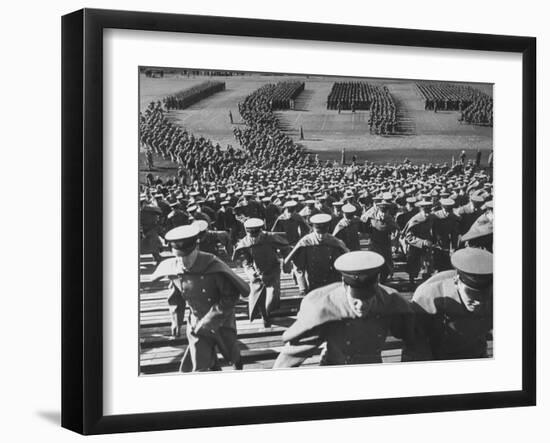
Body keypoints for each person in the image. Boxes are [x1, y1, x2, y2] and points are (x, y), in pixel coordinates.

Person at [273, 251, 416, 368]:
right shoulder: (326, 308)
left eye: (367, 299)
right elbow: (291, 356)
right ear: (345, 286)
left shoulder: (391, 302)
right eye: (355, 300)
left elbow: (413, 337)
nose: (361, 305)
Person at [150, 224, 249, 371]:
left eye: (188, 256)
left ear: (196, 248)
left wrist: (210, 320)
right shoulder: (174, 269)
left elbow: (230, 296)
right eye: (179, 256)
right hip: (196, 323)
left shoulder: (213, 265)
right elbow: (176, 296)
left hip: (222, 321)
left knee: (231, 353)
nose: (184, 261)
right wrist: (176, 320)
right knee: (199, 364)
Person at [407, 248, 493, 360]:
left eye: (484, 295)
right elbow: (415, 347)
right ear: (456, 281)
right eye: (471, 293)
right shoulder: (429, 297)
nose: (478, 302)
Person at [233, 218, 291, 327]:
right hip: (257, 273)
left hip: (272, 270)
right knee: (258, 297)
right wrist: (250, 272)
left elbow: (286, 248)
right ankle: (265, 317)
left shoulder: (270, 237)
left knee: (272, 295)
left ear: (260, 231)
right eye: (252, 236)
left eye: (256, 235)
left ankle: (269, 311)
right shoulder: (245, 243)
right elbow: (246, 261)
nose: (254, 238)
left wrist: (286, 262)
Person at [284, 213, 349, 293]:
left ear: (327, 229)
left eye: (323, 233)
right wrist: (302, 287)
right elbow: (299, 268)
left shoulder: (334, 242)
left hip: (330, 283)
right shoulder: (305, 242)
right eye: (318, 233)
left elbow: (341, 265)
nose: (321, 237)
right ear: (313, 229)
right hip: (312, 283)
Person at [403, 200, 435, 284]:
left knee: (428, 264)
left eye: (429, 209)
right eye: (425, 209)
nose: (428, 211)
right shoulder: (415, 220)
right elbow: (408, 237)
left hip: (427, 245)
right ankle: (412, 281)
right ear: (421, 209)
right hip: (416, 245)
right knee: (413, 264)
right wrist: (422, 242)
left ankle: (427, 280)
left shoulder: (431, 217)